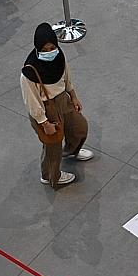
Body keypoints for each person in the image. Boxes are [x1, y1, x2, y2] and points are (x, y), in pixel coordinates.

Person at [20, 22, 93, 187]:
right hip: (46, 109)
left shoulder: (59, 57)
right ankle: (50, 176)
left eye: (52, 47)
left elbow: (66, 77)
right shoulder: (29, 72)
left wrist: (73, 96)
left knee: (79, 127)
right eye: (44, 50)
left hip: (63, 100)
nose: (49, 52)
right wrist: (44, 123)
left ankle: (71, 151)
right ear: (37, 49)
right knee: (52, 146)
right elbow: (31, 101)